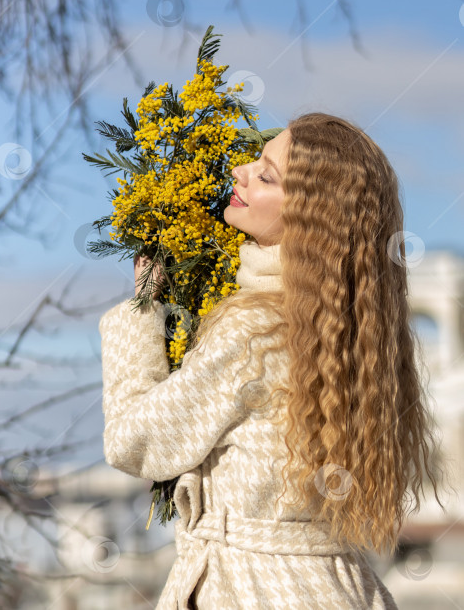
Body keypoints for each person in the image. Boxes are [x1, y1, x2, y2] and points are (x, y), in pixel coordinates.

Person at [99, 112, 445, 609]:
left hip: (250, 589)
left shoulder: (254, 333)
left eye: (266, 175)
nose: (240, 171)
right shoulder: (354, 337)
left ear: (309, 216)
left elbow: (136, 441)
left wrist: (143, 310)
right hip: (341, 587)